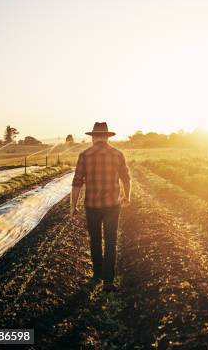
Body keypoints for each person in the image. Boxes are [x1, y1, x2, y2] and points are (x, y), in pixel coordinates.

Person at [70, 122, 131, 292]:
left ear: (93, 137)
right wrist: (127, 196)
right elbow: (126, 178)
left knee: (95, 240)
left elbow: (77, 183)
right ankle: (108, 282)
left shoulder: (84, 155)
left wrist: (73, 207)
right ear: (106, 136)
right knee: (111, 242)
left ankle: (97, 274)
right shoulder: (118, 154)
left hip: (92, 206)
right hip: (113, 205)